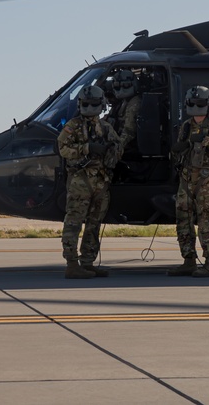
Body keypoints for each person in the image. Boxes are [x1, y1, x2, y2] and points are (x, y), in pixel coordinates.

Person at [56, 84, 120, 279]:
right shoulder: (73, 126)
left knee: (94, 223)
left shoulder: (106, 127)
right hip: (80, 181)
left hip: (100, 181)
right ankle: (72, 263)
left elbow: (118, 148)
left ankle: (87, 262)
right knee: (74, 222)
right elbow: (63, 149)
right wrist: (87, 148)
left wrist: (110, 150)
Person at [167, 85, 209, 278]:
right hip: (186, 178)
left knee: (205, 221)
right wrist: (179, 149)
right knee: (182, 220)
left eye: (199, 103)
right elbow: (178, 154)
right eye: (193, 103)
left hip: (206, 179)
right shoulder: (186, 126)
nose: (196, 107)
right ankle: (188, 260)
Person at [107, 69, 141, 156]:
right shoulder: (123, 101)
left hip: (129, 148)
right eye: (116, 86)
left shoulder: (134, 103)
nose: (120, 89)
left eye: (125, 85)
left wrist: (116, 148)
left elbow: (129, 131)